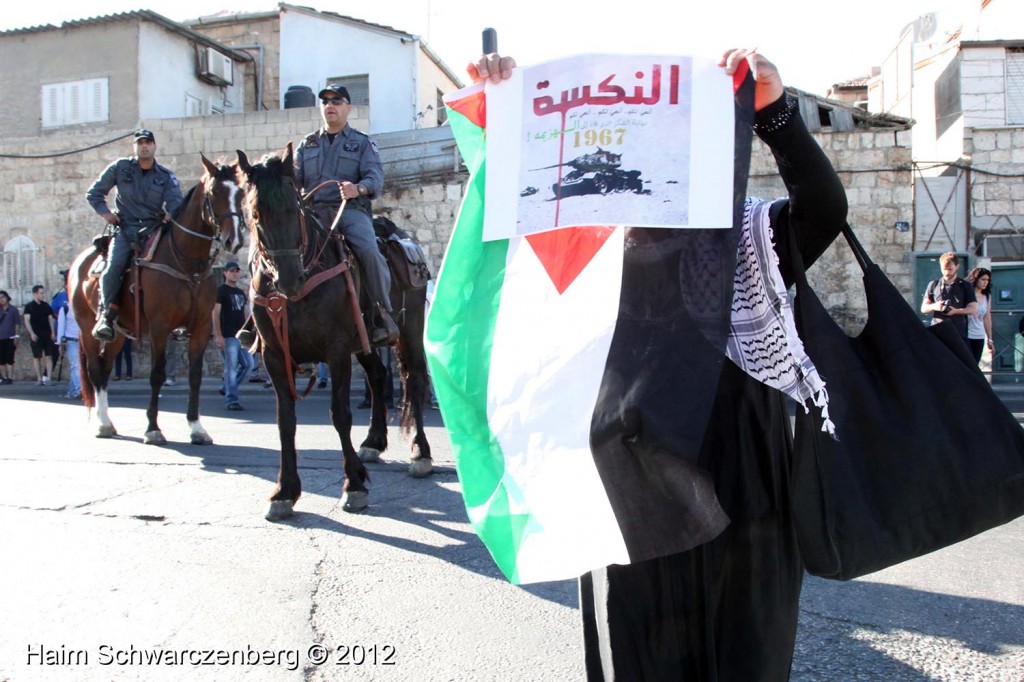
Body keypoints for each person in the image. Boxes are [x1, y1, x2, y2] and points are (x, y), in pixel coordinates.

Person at [469, 48, 848, 680]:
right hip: (627, 505)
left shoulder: (745, 239)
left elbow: (823, 209)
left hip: (743, 500)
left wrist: (775, 113)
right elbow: (499, 234)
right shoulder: (574, 256)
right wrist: (503, 111)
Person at [293, 84, 398, 346]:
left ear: (348, 107)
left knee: (369, 250)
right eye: (325, 101)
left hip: (348, 211)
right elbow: (293, 178)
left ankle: (381, 313)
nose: (330, 105)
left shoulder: (362, 143)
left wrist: (358, 188)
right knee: (277, 247)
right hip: (313, 212)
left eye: (337, 101)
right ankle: (265, 317)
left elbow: (375, 177)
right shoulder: (307, 144)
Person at [86, 129, 184, 341]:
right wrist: (106, 213)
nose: (145, 146)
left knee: (176, 264)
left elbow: (177, 201)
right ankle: (106, 315)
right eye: (140, 143)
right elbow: (94, 193)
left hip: (154, 229)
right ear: (135, 147)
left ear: (155, 146)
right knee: (113, 267)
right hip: (125, 229)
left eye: (148, 142)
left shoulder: (165, 176)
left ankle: (178, 318)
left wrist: (170, 214)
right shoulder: (120, 168)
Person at [212, 261, 255, 411]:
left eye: (237, 271)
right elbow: (215, 314)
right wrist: (218, 335)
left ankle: (227, 387)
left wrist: (250, 331)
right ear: (225, 273)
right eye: (232, 271)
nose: (235, 273)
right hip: (228, 336)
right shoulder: (221, 291)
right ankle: (231, 400)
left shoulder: (240, 292)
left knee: (249, 365)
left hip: (240, 336)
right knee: (231, 368)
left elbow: (245, 313)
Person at [921, 252, 977, 343]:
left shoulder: (965, 286)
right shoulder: (933, 285)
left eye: (950, 269)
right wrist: (935, 306)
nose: (947, 272)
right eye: (944, 269)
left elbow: (973, 309)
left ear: (957, 266)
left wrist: (955, 311)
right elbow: (923, 308)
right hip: (937, 333)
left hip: (958, 333)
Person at [22, 284, 56, 385]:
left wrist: (53, 332)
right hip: (36, 335)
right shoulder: (29, 306)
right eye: (41, 293)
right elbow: (27, 321)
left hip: (47, 334)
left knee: (49, 356)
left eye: (43, 293)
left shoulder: (46, 306)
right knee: (37, 357)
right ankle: (39, 379)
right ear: (35, 294)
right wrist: (31, 333)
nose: (43, 295)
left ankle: (48, 378)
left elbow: (50, 319)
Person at [966, 267, 994, 364]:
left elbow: (987, 317)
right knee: (967, 364)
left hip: (979, 335)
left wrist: (990, 339)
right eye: (983, 279)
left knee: (975, 364)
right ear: (976, 279)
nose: (985, 282)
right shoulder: (967, 294)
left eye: (987, 280)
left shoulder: (987, 296)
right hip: (966, 334)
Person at [56, 299, 82, 399]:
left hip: (82, 340)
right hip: (71, 341)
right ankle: (80, 389)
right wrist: (60, 344)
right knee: (75, 365)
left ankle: (72, 392)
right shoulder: (65, 309)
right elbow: (61, 326)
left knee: (75, 367)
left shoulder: (83, 307)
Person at [0, 290, 20, 384]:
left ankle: (10, 377)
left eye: (3, 297)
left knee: (9, 358)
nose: (1, 299)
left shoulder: (13, 309)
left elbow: (17, 323)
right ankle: (4, 377)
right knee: (1, 359)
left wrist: (16, 336)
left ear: (7, 298)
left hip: (10, 337)